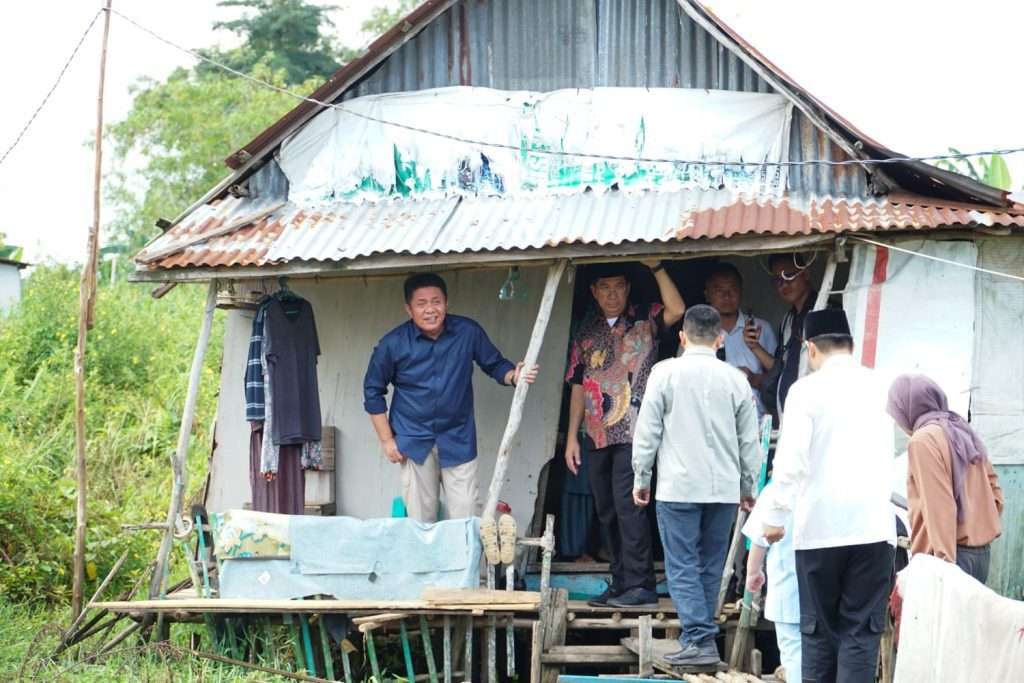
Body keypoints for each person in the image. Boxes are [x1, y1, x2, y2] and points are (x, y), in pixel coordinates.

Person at [760, 309, 895, 683]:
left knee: (818, 634)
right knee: (860, 635)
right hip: (872, 529)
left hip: (820, 530)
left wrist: (774, 518)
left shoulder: (805, 391)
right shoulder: (880, 384)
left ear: (810, 349)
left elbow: (790, 463)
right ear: (851, 346)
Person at [632, 304, 761, 666]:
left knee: (683, 565)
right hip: (722, 490)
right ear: (720, 339)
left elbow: (647, 433)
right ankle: (702, 640)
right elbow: (748, 440)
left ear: (682, 337)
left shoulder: (665, 373)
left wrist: (641, 477)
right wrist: (749, 488)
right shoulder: (735, 378)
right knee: (709, 565)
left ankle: (699, 640)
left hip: (678, 487)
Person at [363, 273, 537, 524]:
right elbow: (372, 391)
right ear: (409, 309)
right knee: (421, 522)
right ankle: (427, 565)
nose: (430, 310)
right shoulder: (393, 344)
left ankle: (463, 564)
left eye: (436, 301)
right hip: (413, 440)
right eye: (421, 304)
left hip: (458, 439)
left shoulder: (468, 332)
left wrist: (514, 376)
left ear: (446, 303)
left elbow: (495, 364)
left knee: (465, 518)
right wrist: (387, 441)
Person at [564, 260, 685, 608]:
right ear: (594, 291)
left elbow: (678, 309)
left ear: (628, 289)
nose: (612, 294)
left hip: (635, 432)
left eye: (619, 286)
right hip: (597, 435)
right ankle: (620, 582)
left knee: (629, 507)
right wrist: (572, 436)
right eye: (605, 287)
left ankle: (641, 586)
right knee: (606, 510)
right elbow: (576, 385)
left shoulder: (646, 318)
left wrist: (659, 268)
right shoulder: (586, 330)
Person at [886, 374, 1003, 583]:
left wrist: (945, 568)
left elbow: (940, 506)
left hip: (947, 559)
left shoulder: (923, 440)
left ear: (907, 410)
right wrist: (976, 526)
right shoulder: (962, 429)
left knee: (940, 617)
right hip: (981, 555)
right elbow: (995, 493)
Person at [703, 263, 778, 414]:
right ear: (707, 294)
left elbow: (779, 377)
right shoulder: (698, 333)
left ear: (741, 292)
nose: (727, 296)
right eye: (719, 290)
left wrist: (752, 378)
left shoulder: (760, 328)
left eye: (733, 289)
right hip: (711, 421)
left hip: (755, 418)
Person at [744, 482, 800, 682]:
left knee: (793, 651)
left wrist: (753, 572)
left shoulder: (777, 490)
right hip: (824, 588)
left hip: (787, 586)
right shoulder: (827, 485)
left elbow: (759, 541)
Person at [764, 253, 817, 419]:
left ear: (806, 274)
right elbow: (781, 366)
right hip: (788, 415)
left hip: (814, 413)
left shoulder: (824, 311)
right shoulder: (787, 320)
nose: (784, 284)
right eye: (777, 280)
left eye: (789, 275)